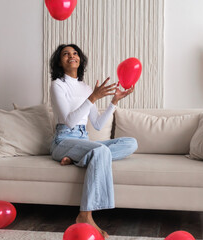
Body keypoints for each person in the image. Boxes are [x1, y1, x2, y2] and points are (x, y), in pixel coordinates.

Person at [49, 44, 138, 238]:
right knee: (100, 152)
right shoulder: (58, 85)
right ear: (59, 61)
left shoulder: (86, 87)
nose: (71, 56)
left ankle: (76, 159)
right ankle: (85, 214)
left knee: (131, 143)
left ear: (80, 60)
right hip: (63, 140)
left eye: (75, 53)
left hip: (83, 140)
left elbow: (97, 124)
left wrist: (114, 101)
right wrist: (93, 97)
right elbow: (70, 121)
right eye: (65, 54)